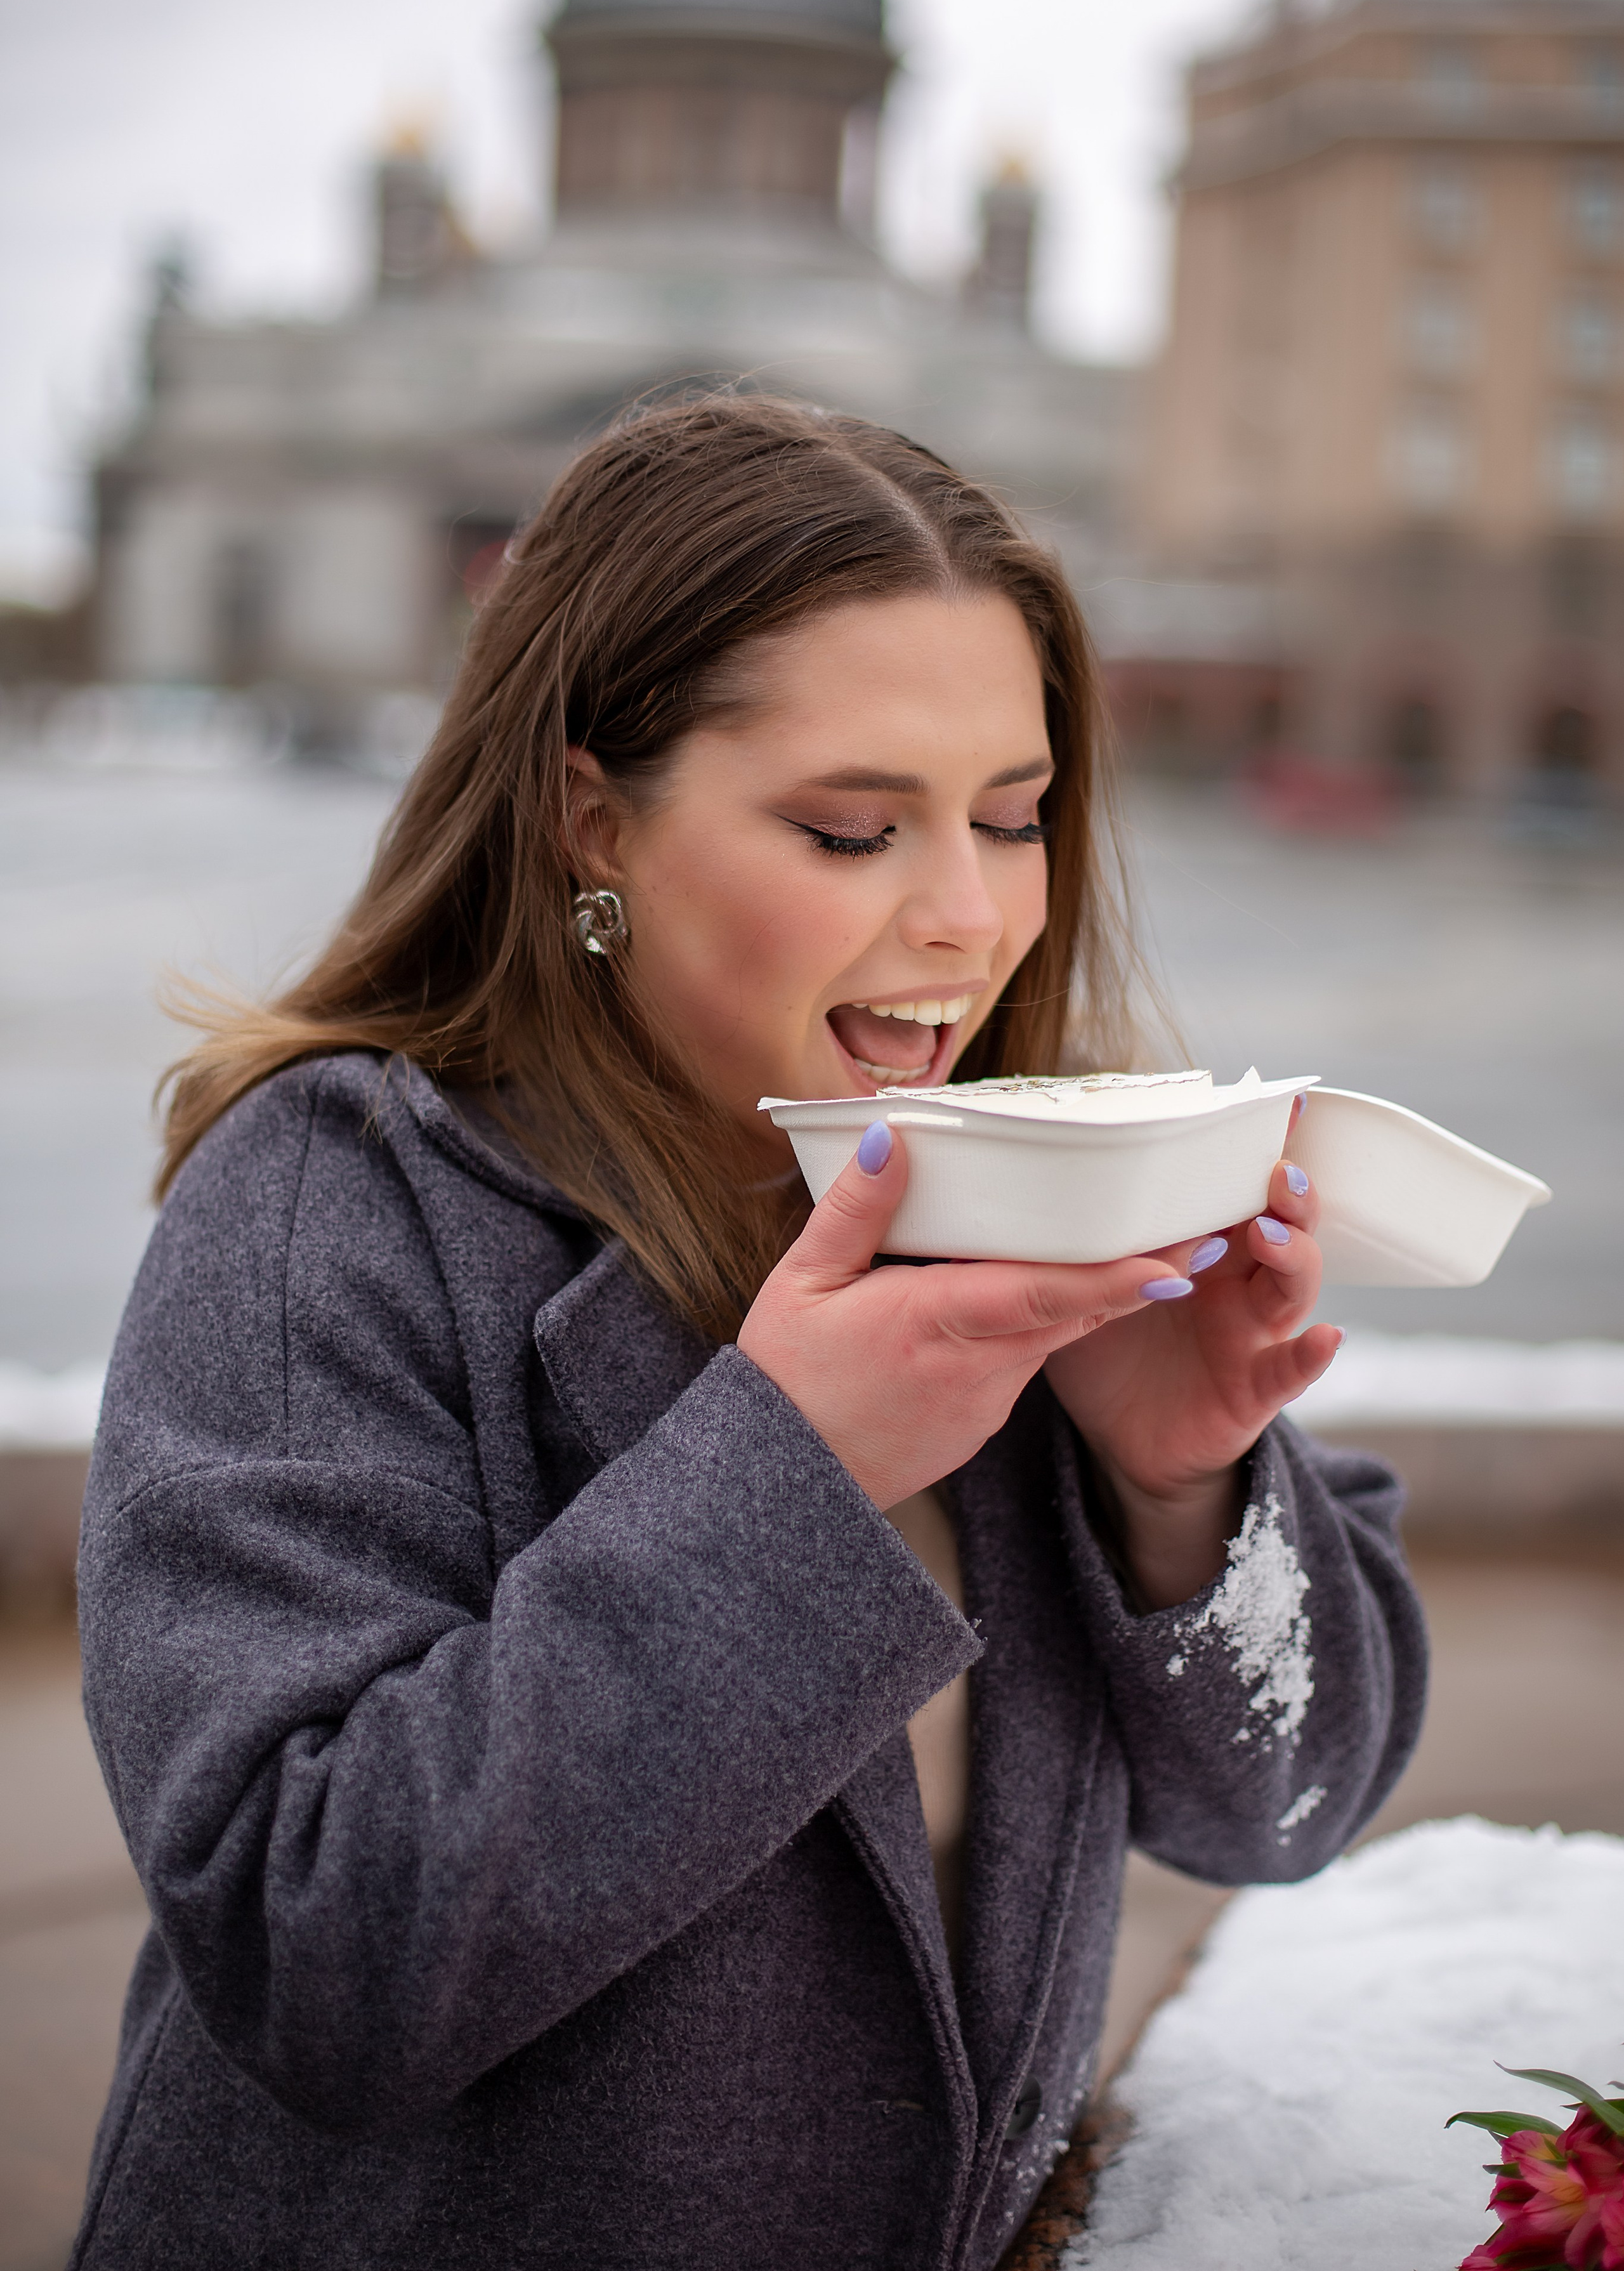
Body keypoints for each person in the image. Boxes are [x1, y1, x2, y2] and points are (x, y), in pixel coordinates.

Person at [70, 394, 1426, 2271]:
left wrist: (1182, 1493)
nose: (968, 921)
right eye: (854, 828)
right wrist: (794, 1471)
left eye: (1016, 820)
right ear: (588, 815)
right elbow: (320, 1960)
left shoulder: (1041, 1195)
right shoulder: (337, 1202)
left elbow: (1289, 1808)